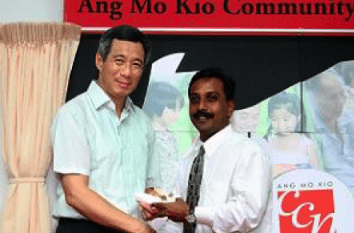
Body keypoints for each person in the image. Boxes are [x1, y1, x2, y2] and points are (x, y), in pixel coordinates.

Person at [51, 25, 159, 233]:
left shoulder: (143, 123)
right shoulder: (74, 114)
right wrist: (139, 228)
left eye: (136, 64)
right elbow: (75, 193)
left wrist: (153, 203)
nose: (126, 72)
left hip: (131, 227)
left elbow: (149, 188)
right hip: (84, 228)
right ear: (99, 60)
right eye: (119, 61)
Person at [142, 68, 272, 232]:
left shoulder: (248, 152)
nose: (201, 107)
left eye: (211, 98)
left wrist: (191, 213)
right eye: (195, 99)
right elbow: (178, 221)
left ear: (229, 107)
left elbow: (248, 215)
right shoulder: (190, 157)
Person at [305, 68, 354, 205]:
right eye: (333, 97)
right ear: (314, 98)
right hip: (340, 199)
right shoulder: (311, 131)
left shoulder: (344, 117)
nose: (341, 102)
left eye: (342, 94)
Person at [142, 82, 185, 232]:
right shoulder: (146, 135)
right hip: (151, 201)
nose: (177, 114)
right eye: (173, 109)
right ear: (158, 106)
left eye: (180, 109)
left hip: (170, 199)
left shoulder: (171, 137)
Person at [265, 92, 320, 178]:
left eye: (285, 119)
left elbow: (317, 174)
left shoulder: (306, 144)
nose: (280, 124)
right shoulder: (267, 142)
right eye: (274, 119)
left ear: (298, 117)